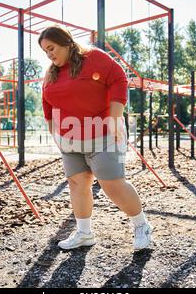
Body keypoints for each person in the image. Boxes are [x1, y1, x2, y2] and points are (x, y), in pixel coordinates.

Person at [39, 25, 153, 251]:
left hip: (103, 133)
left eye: (51, 48)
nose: (49, 55)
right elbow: (47, 103)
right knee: (77, 184)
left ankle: (142, 226)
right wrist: (54, 132)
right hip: (70, 139)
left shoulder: (94, 58)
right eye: (45, 52)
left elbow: (119, 78)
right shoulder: (51, 73)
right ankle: (84, 233)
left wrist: (114, 117)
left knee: (113, 185)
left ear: (66, 42)